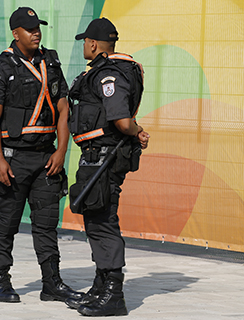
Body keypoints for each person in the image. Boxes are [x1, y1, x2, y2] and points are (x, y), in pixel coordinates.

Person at [0, 7, 82, 303]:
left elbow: (64, 109)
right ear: (15, 34)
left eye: (38, 27)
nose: (36, 32)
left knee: (47, 224)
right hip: (13, 159)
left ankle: (52, 283)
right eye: (29, 29)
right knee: (7, 223)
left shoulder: (50, 61)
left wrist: (62, 151)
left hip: (46, 158)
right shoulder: (0, 67)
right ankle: (1, 281)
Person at [65, 18, 150, 316]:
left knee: (103, 221)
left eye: (85, 43)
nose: (84, 47)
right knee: (95, 218)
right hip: (99, 156)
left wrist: (134, 129)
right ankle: (101, 286)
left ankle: (114, 293)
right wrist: (136, 131)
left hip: (104, 158)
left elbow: (122, 121)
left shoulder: (108, 75)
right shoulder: (109, 71)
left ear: (92, 43)